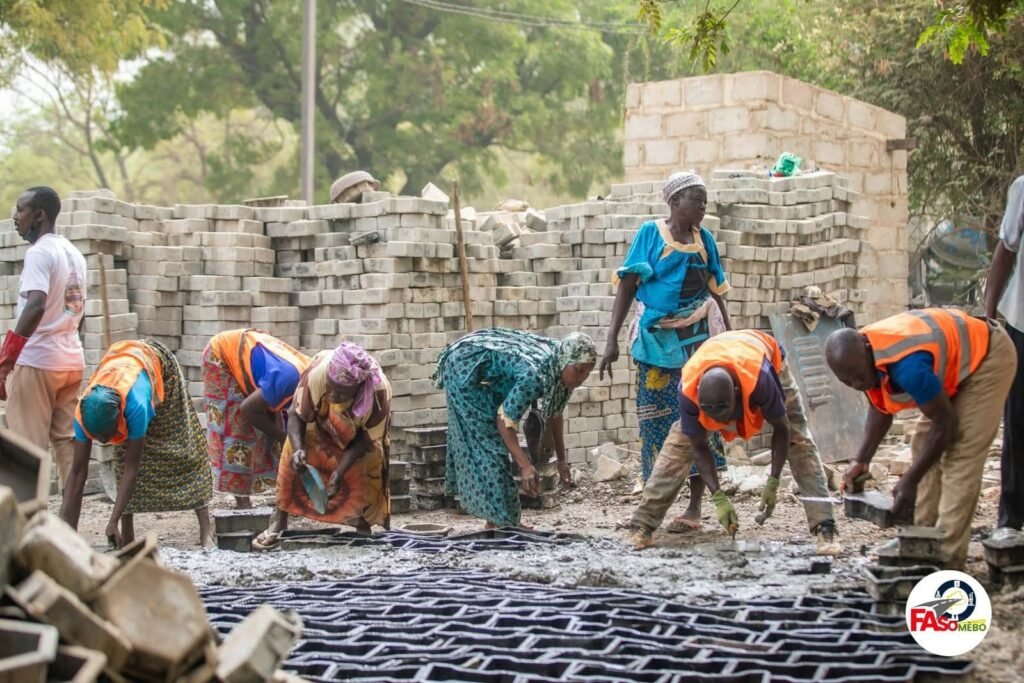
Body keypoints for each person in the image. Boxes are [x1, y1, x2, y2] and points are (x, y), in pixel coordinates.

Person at [825, 308, 1016, 568]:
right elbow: (881, 407)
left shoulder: (908, 366)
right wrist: (862, 460)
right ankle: (922, 538)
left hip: (986, 357)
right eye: (847, 381)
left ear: (868, 350)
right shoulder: (863, 359)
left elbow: (945, 424)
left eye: (859, 376)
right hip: (952, 366)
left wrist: (910, 479)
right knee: (922, 442)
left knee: (959, 454)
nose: (858, 384)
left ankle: (946, 556)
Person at [628, 330, 840, 555]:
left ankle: (825, 526)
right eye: (709, 413)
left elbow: (782, 429)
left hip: (761, 356)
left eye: (723, 411)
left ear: (737, 394)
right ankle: (642, 525)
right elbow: (699, 448)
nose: (719, 421)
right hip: (720, 356)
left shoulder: (762, 379)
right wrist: (719, 498)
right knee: (680, 443)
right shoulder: (688, 390)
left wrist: (774, 481)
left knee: (799, 439)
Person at [599, 171, 731, 529]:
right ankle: (654, 503)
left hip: (697, 343)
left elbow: (716, 291)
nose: (703, 207)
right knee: (656, 421)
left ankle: (694, 508)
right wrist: (610, 341)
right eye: (695, 200)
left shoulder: (705, 241)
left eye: (705, 201)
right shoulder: (650, 234)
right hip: (657, 343)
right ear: (674, 203)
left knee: (703, 421)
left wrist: (730, 339)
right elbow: (627, 286)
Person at [433, 328, 597, 528]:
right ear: (565, 362)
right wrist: (525, 466)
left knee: (494, 444)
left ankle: (499, 521)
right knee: (491, 448)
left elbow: (555, 412)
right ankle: (505, 522)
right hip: (463, 368)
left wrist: (562, 461)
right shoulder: (534, 376)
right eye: (579, 370)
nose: (582, 378)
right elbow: (504, 425)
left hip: (484, 369)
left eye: (588, 372)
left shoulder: (559, 365)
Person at [61, 340, 214, 548]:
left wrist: (111, 520)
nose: (104, 442)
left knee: (183, 450)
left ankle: (206, 529)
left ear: (119, 418)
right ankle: (127, 533)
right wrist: (64, 536)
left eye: (107, 435)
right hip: (123, 362)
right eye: (98, 438)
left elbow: (132, 469)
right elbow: (77, 473)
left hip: (159, 366)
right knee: (121, 456)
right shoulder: (83, 413)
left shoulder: (136, 406)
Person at [253, 343, 392, 550]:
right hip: (318, 415)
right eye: (332, 389)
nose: (334, 397)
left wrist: (340, 471)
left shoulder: (378, 394)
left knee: (371, 458)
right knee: (293, 449)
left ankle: (362, 526)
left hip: (358, 432)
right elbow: (295, 414)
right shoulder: (319, 374)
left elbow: (366, 440)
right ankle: (280, 522)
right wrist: (299, 448)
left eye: (342, 393)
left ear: (357, 389)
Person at [0, 186, 87, 489]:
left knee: (27, 451)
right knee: (67, 446)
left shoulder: (39, 253)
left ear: (39, 215)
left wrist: (7, 357)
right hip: (70, 361)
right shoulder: (74, 253)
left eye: (20, 209)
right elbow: (77, 309)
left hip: (36, 361)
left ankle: (30, 527)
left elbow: (36, 303)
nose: (15, 217)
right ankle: (67, 526)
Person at [203, 328, 310, 508]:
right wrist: (284, 438)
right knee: (238, 428)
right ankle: (242, 500)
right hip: (222, 355)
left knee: (278, 422)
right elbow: (248, 410)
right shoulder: (289, 382)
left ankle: (283, 489)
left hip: (263, 367)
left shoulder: (312, 382)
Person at [984, 174, 1024, 541]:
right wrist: (989, 308)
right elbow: (1006, 250)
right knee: (1018, 422)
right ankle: (1011, 520)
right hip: (1022, 324)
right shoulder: (1023, 188)